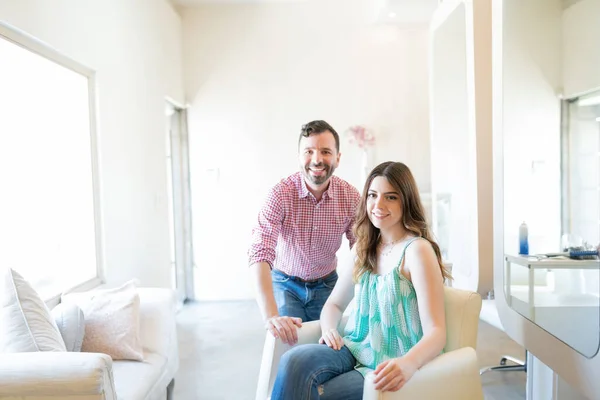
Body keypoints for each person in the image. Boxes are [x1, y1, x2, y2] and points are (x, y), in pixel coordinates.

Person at [270, 161, 451, 400]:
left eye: (391, 197)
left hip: (391, 363)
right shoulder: (364, 248)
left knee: (317, 394)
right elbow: (334, 305)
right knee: (293, 361)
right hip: (354, 349)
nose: (378, 205)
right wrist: (329, 328)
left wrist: (407, 364)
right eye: (373, 195)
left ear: (406, 201)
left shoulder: (417, 251)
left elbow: (437, 332)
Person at [248, 120, 361, 345]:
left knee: (327, 349)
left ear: (338, 157)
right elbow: (260, 252)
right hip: (285, 284)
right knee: (289, 347)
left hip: (328, 284)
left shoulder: (350, 197)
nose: (317, 159)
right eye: (308, 151)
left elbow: (362, 248)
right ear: (299, 157)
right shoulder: (279, 195)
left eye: (325, 151)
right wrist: (271, 316)